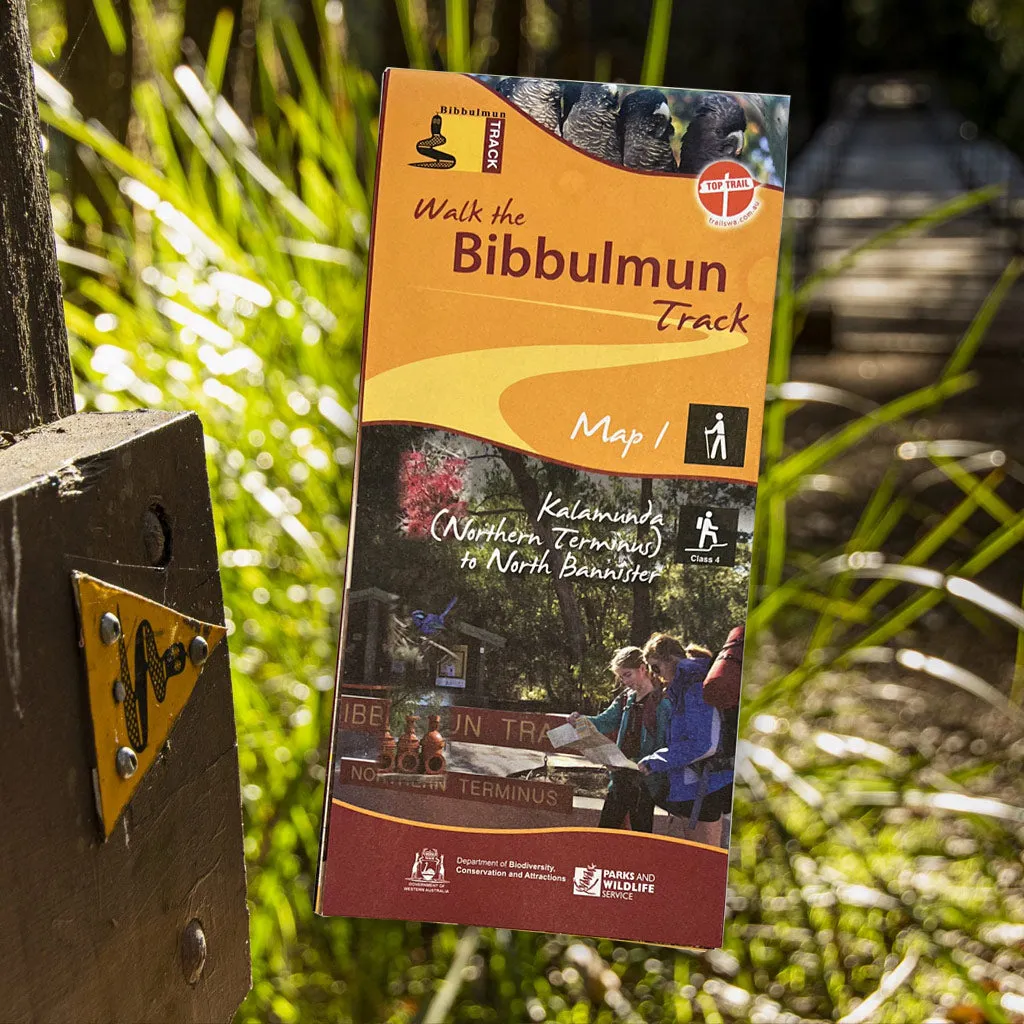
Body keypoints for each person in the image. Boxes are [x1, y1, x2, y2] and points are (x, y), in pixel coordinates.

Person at [638, 633, 732, 847]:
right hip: (698, 783)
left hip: (705, 784)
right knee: (699, 857)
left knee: (704, 859)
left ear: (671, 659)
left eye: (656, 667)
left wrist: (656, 760)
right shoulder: (684, 685)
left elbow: (704, 744)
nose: (655, 675)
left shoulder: (693, 684)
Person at [572, 646, 672, 832]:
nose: (625, 682)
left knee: (640, 835)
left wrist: (649, 765)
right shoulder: (626, 699)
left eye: (628, 675)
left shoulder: (662, 703)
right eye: (621, 677)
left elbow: (663, 744)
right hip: (619, 775)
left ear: (643, 669)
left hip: (644, 780)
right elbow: (604, 721)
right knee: (606, 831)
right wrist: (580, 721)